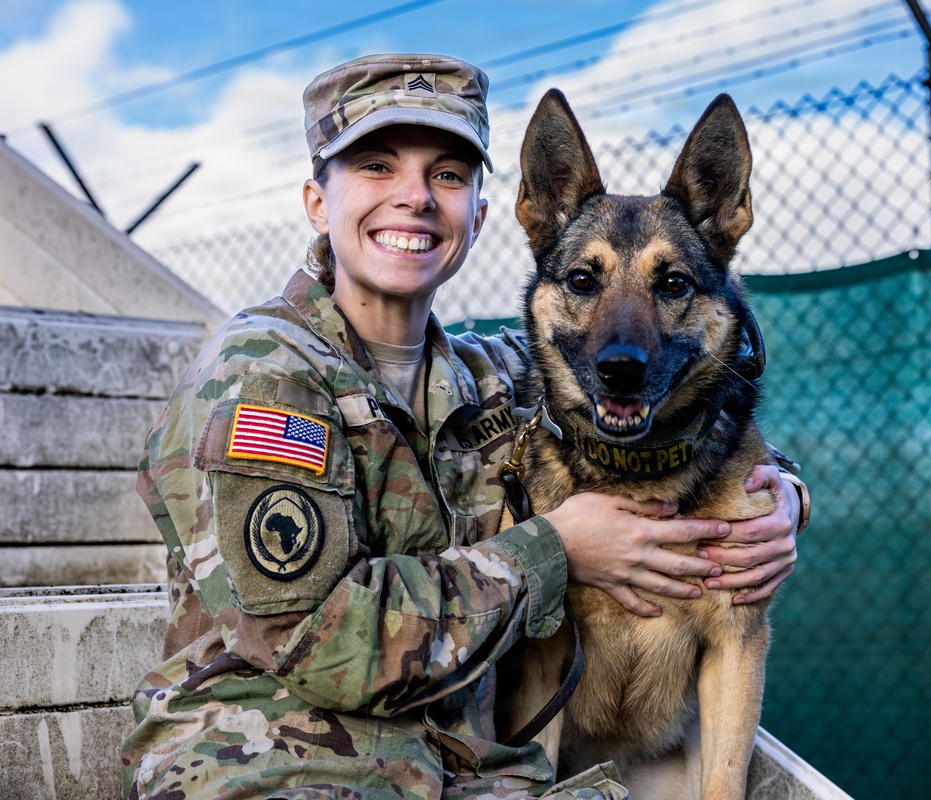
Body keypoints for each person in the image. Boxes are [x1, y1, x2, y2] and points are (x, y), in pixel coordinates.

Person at [121, 53, 804, 800]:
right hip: (272, 767)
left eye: (446, 174)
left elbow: (695, 412)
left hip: (457, 766)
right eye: (377, 166)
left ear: (480, 215)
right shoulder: (261, 377)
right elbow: (319, 642)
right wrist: (557, 548)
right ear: (318, 201)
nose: (414, 198)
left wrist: (784, 502)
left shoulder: (498, 376)